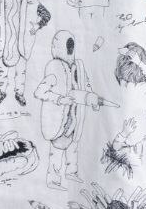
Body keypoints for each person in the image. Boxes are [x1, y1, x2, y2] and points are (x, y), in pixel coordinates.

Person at [34, 30, 102, 187]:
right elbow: (40, 92)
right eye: (67, 45)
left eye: (71, 45)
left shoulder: (79, 67)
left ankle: (71, 172)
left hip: (75, 119)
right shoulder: (55, 69)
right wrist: (59, 99)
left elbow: (86, 85)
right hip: (59, 121)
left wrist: (92, 99)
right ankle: (53, 179)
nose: (70, 48)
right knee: (57, 150)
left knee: (73, 147)